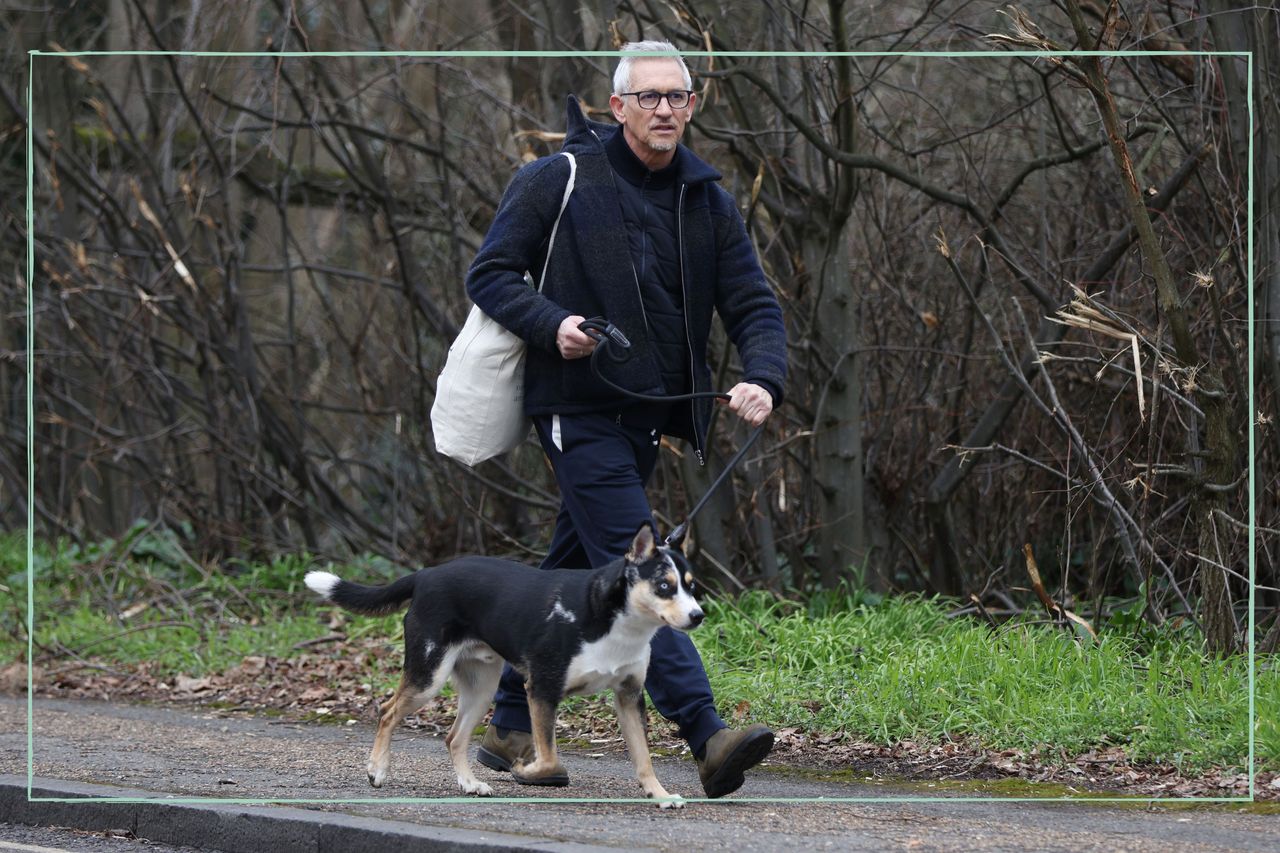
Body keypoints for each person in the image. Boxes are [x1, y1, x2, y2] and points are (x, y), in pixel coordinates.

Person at [464, 40, 787, 798]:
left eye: (677, 96)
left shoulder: (706, 199)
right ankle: (706, 732)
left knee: (572, 559)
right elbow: (490, 274)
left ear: (691, 106)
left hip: (648, 419)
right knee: (637, 559)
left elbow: (753, 304)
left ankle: (512, 718)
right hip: (573, 409)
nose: (665, 109)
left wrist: (762, 377)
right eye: (649, 97)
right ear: (618, 106)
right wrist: (553, 325)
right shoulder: (560, 178)